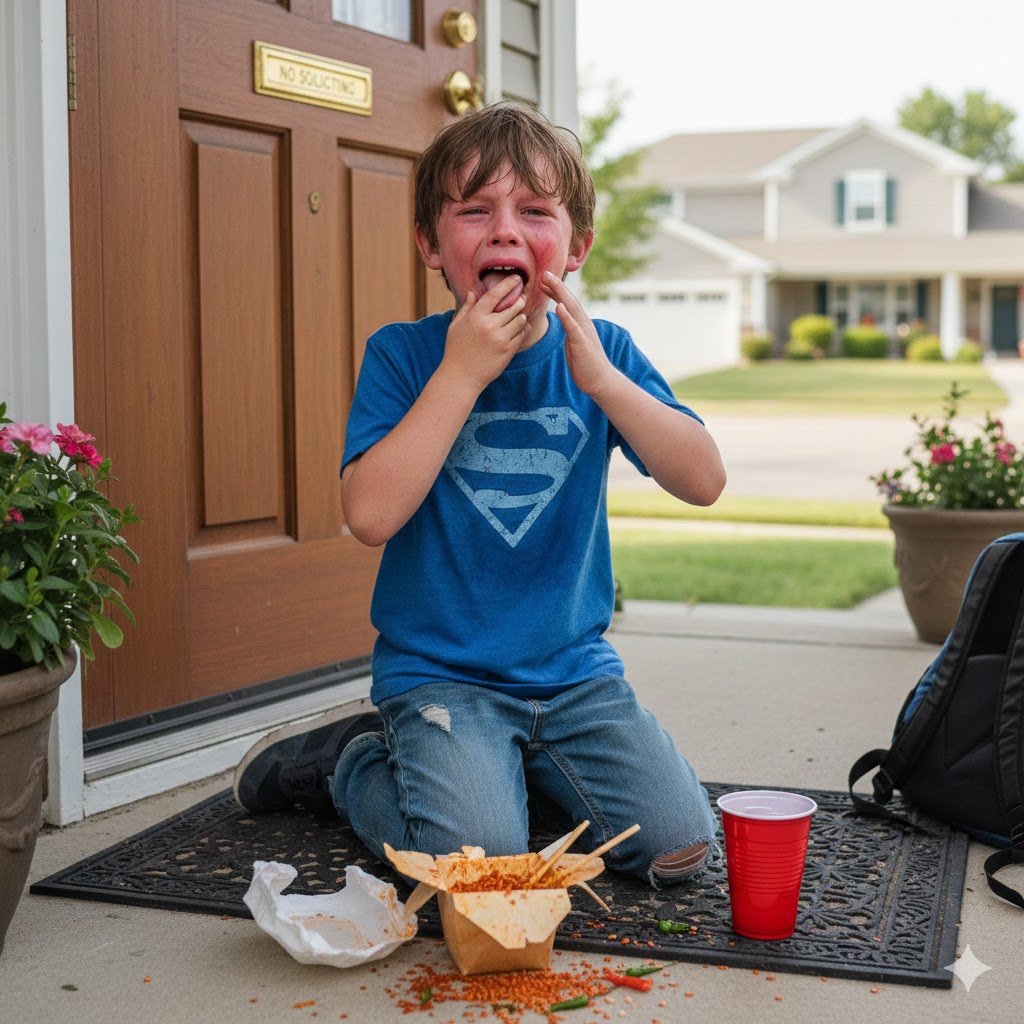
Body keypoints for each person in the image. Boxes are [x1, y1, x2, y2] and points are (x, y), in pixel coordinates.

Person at [234, 102, 726, 888]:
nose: (504, 231)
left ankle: (509, 776)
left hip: (575, 676)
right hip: (441, 679)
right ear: (432, 245)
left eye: (534, 211)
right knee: (482, 871)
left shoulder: (604, 353)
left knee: (679, 848)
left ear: (576, 247)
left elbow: (703, 480)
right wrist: (461, 373)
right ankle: (352, 763)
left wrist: (604, 382)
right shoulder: (404, 356)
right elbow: (370, 516)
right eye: (474, 210)